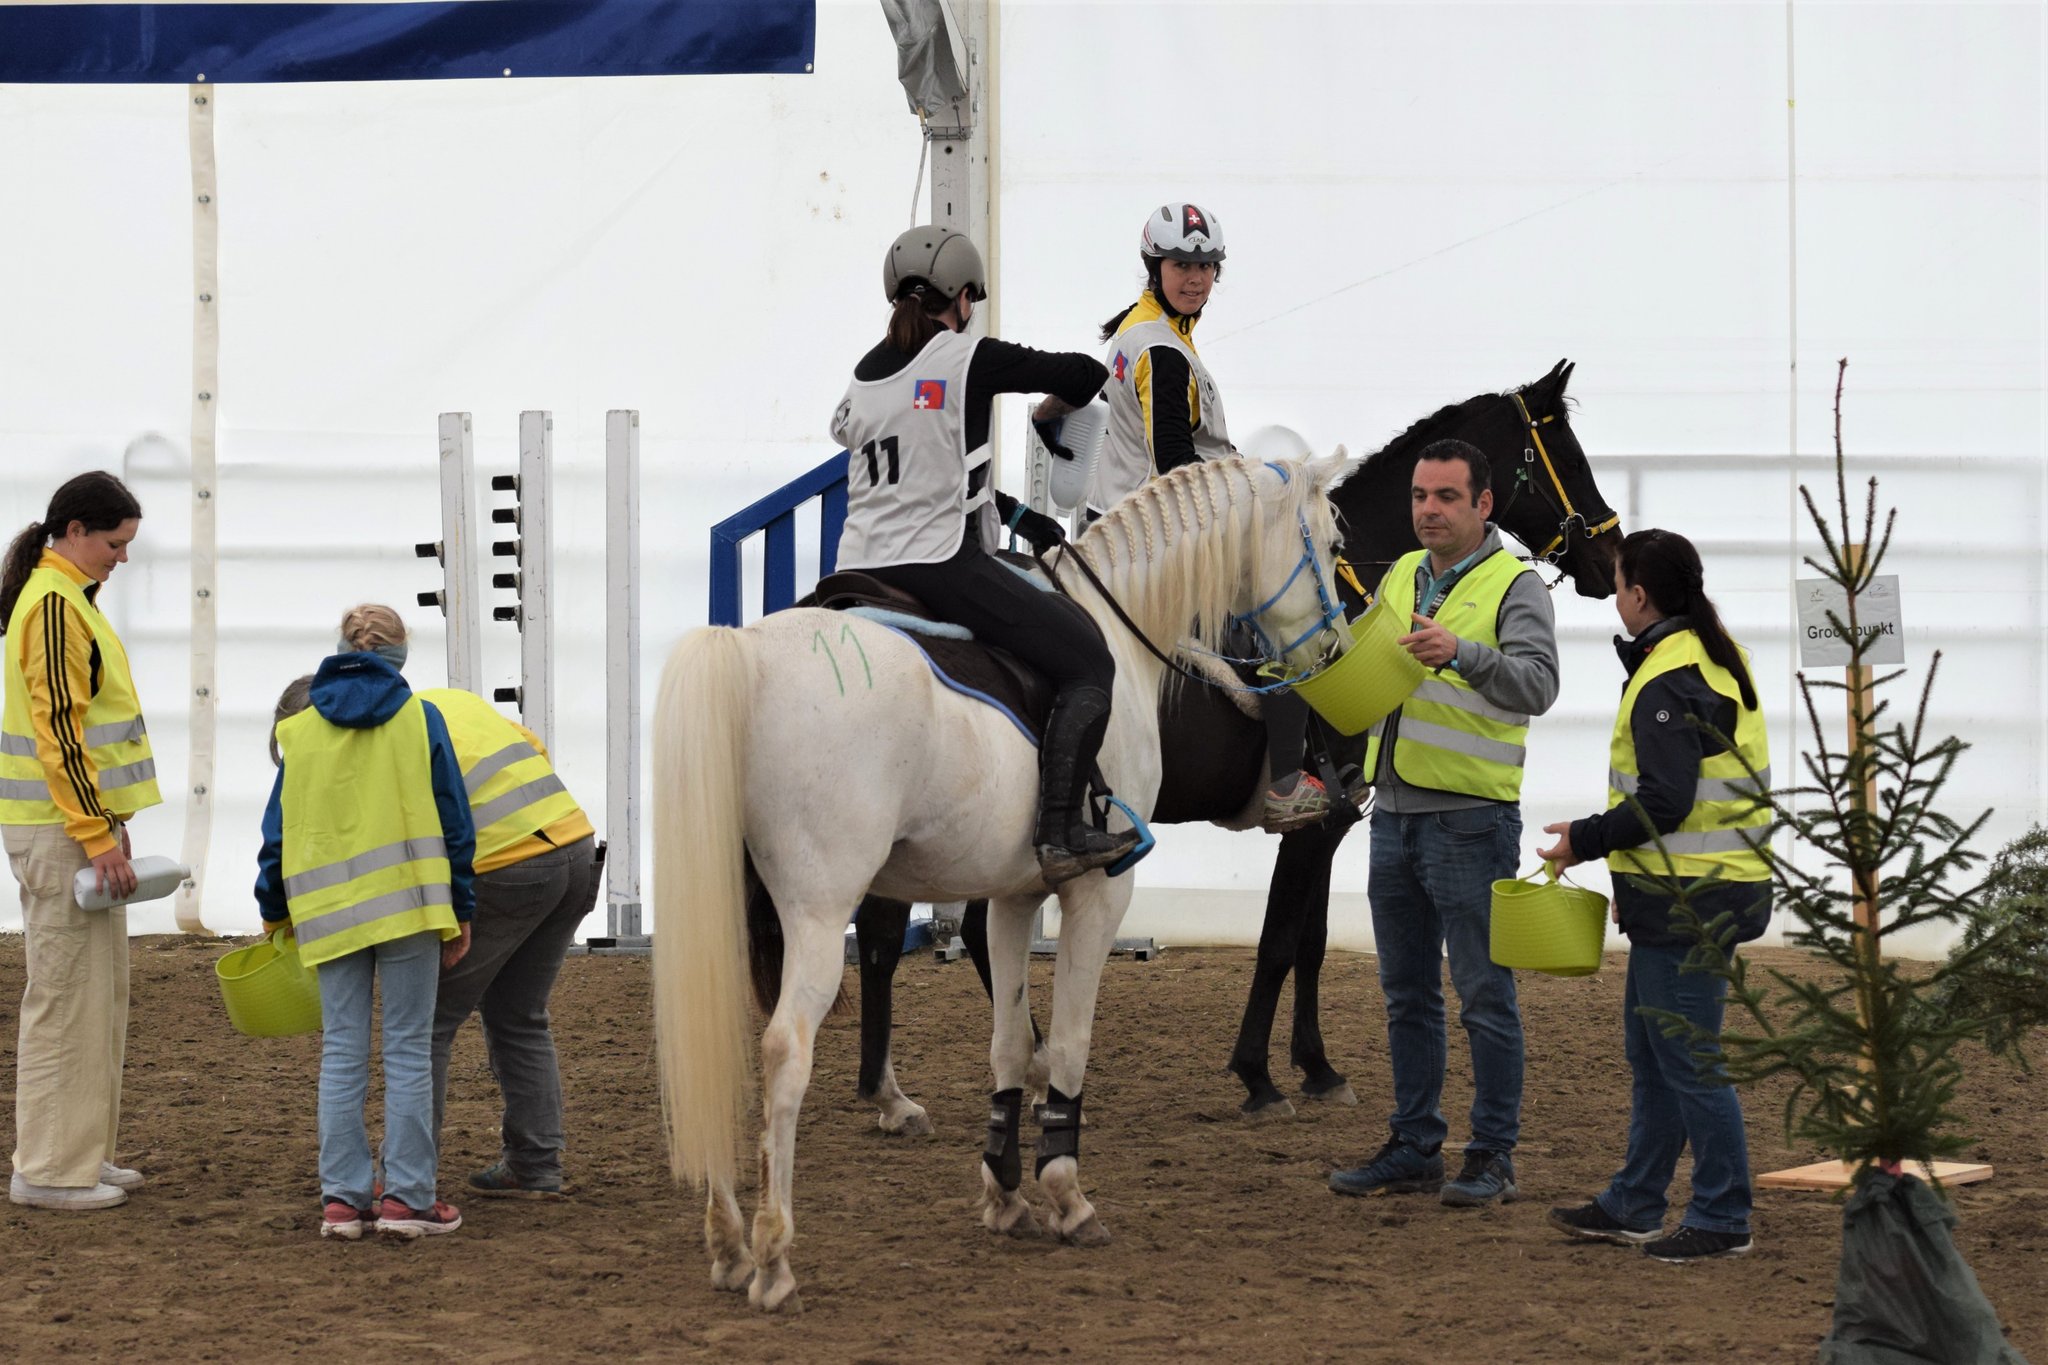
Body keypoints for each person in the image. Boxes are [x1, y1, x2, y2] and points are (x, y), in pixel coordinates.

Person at [832, 224, 1135, 885]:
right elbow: (1082, 374)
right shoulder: (969, 357)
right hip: (940, 565)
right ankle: (1061, 831)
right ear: (963, 295)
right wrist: (1055, 405)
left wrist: (1018, 514)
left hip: (855, 568)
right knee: (1088, 660)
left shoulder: (861, 379)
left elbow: (900, 457)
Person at [1328, 438, 1559, 1208]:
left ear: (1483, 504)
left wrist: (1461, 651)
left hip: (1470, 819)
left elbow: (1538, 685)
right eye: (1421, 496)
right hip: (1390, 813)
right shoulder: (1399, 573)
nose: (1428, 509)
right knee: (1406, 994)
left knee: (1485, 995)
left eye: (1447, 497)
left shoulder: (1515, 584)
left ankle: (1493, 1154)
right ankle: (1416, 1142)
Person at [1538, 527, 1772, 1264]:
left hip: (1692, 901)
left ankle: (1723, 1213)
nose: (1613, 592)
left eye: (1616, 581)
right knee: (1654, 1049)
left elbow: (1667, 800)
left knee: (1690, 1059)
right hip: (1692, 889)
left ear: (1639, 593)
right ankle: (1636, 1201)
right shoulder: (1709, 657)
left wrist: (1584, 838)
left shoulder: (1668, 677)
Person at [1087, 203, 1328, 833]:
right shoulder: (1161, 350)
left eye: (1205, 266)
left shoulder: (1151, 332)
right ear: (1155, 267)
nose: (1195, 278)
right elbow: (1175, 469)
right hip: (1160, 539)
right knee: (1291, 619)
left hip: (1126, 529)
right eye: (1182, 265)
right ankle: (1283, 782)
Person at [255, 605, 476, 1240]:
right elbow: (455, 823)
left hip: (328, 915)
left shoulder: (299, 731)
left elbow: (275, 835)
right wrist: (461, 909)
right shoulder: (421, 718)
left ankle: (343, 1203)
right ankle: (408, 1200)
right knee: (408, 1049)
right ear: (399, 656)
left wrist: (275, 908)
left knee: (342, 1052)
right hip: (411, 906)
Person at [1, 472, 154, 1212]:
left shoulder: (64, 598)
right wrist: (97, 833)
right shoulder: (57, 605)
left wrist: (107, 822)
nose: (122, 558)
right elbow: (59, 729)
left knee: (97, 993)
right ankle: (51, 1170)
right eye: (116, 543)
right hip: (63, 831)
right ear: (76, 531)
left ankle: (79, 1149)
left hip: (73, 826)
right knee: (66, 997)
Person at [413, 685, 600, 1200]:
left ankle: (409, 1178)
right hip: (574, 846)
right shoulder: (453, 700)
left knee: (428, 1023)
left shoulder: (387, 734)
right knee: (521, 1016)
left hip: (507, 868)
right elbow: (532, 749)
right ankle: (535, 1166)